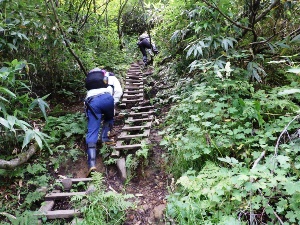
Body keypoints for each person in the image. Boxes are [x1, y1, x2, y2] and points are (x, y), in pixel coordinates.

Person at [84, 68, 123, 175]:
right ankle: (105, 137)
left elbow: (87, 101)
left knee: (92, 132)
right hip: (107, 98)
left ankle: (92, 164)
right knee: (109, 117)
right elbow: (119, 91)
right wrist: (112, 104)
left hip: (91, 102)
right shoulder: (111, 77)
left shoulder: (91, 85)